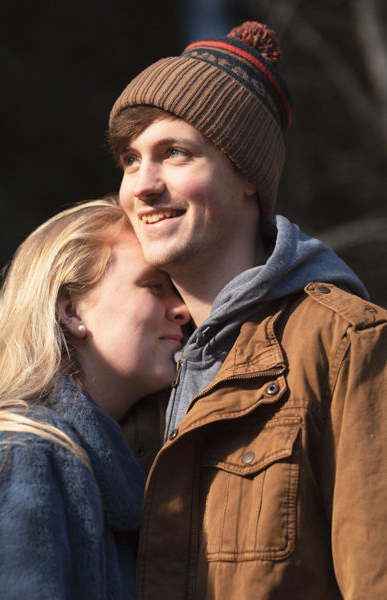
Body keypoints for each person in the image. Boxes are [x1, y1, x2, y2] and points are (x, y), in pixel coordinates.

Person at [107, 20, 387, 598]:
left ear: (246, 178)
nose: (142, 185)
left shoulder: (345, 346)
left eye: (175, 154)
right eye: (130, 160)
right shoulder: (130, 358)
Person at [0, 199, 190, 598]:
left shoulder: (103, 460)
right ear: (71, 310)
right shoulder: (18, 450)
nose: (182, 309)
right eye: (154, 286)